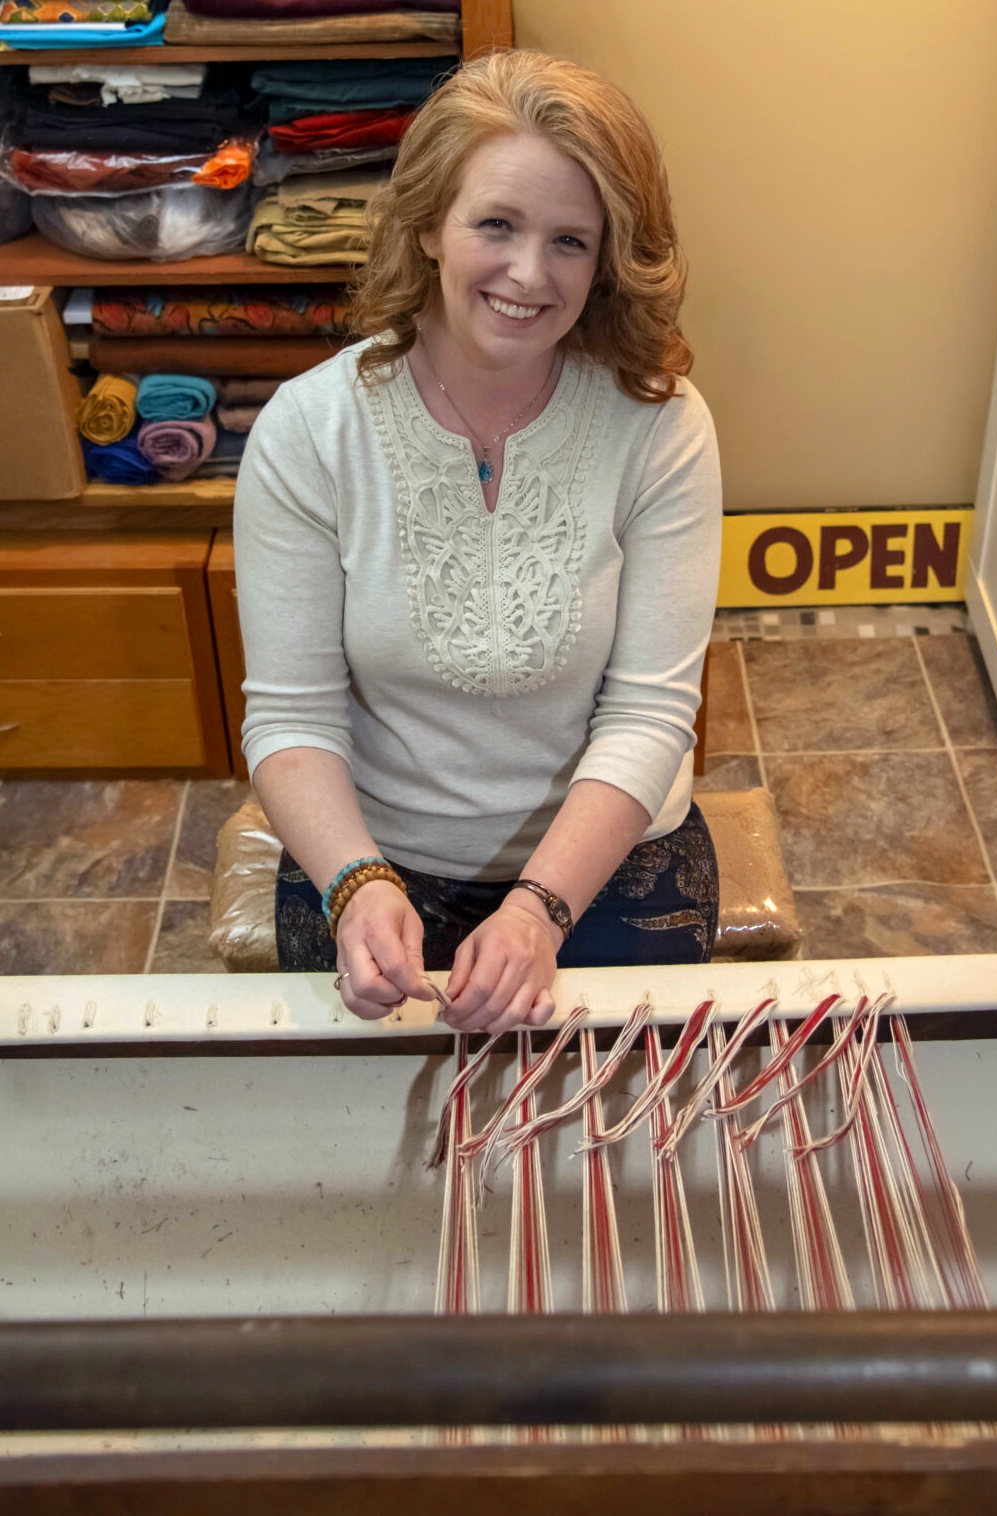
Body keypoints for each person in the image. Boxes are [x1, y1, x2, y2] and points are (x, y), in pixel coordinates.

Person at [234, 49, 722, 1037]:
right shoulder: (307, 429)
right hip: (371, 852)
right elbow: (290, 717)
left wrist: (540, 908)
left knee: (608, 1158)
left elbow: (650, 710)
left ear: (612, 256)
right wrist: (355, 882)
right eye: (494, 223)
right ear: (426, 225)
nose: (529, 274)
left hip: (605, 859)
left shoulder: (661, 422)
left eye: (571, 241)